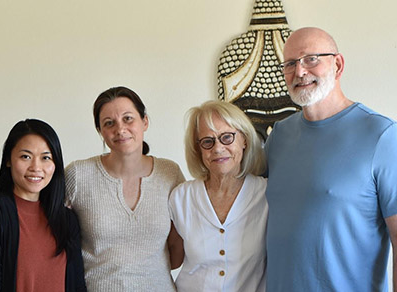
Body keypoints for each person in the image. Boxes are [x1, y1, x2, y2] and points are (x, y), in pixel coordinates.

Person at [265, 27, 397, 291]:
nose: (300, 71)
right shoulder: (278, 136)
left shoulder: (383, 136)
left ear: (337, 64)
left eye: (311, 59)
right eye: (290, 64)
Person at [65, 86, 185, 291]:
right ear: (100, 131)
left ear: (144, 121)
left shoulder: (170, 173)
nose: (120, 129)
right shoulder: (78, 175)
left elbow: (178, 249)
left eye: (128, 118)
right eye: (109, 123)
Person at [0, 119, 86, 292]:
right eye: (26, 156)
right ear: (8, 160)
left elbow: (77, 286)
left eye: (46, 158)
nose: (36, 167)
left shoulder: (67, 220)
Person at [168, 100, 267, 291]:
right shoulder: (181, 197)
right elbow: (169, 259)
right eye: (207, 141)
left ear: (244, 139)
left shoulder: (266, 194)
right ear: (198, 149)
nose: (218, 148)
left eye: (227, 137)